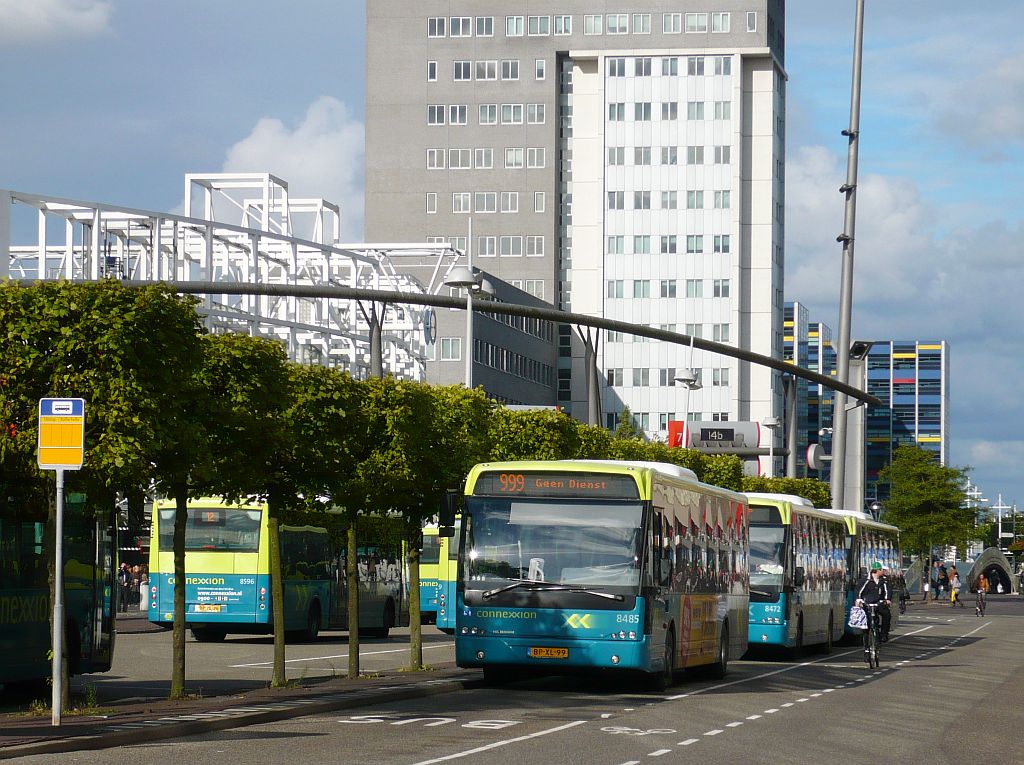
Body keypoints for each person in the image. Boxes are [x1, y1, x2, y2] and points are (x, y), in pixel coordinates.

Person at [856, 561, 891, 645]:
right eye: (882, 570)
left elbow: (887, 591)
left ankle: (883, 634)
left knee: (886, 614)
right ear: (877, 570)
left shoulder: (884, 580)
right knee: (867, 622)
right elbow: (858, 591)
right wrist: (858, 600)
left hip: (879, 604)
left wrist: (887, 599)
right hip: (867, 604)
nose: (884, 572)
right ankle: (866, 645)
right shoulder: (866, 580)